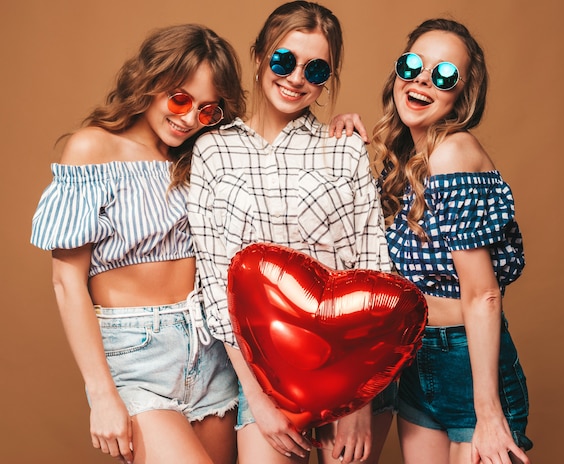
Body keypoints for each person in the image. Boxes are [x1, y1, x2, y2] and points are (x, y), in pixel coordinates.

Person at [187, 2, 395, 463]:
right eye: (284, 60)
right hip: (264, 381)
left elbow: (373, 271)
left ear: (328, 78)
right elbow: (216, 287)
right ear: (259, 55)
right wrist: (258, 401)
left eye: (314, 68)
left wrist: (357, 400)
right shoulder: (212, 152)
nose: (296, 77)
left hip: (353, 371)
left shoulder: (344, 150)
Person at [30, 24, 246, 464]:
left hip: (210, 350)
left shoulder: (201, 156)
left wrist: (340, 126)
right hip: (136, 358)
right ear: (150, 81)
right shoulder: (93, 148)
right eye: (180, 98)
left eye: (206, 111)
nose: (188, 119)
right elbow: (67, 284)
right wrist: (102, 394)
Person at [364, 18, 532, 464]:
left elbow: (482, 293)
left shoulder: (454, 153)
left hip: (467, 363)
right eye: (414, 64)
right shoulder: (405, 159)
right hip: (416, 360)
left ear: (462, 96)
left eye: (443, 75)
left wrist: (488, 411)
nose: (422, 79)